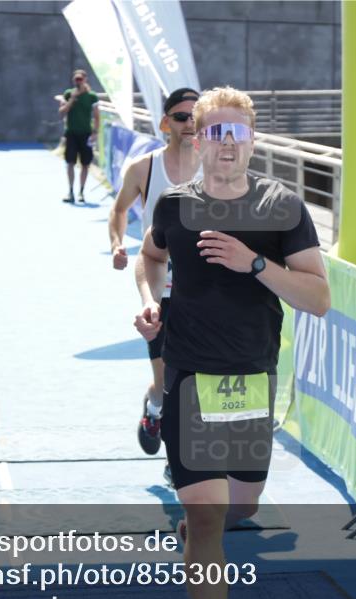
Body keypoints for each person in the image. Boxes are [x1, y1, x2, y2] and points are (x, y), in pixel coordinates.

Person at [134, 87, 330, 599]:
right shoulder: (174, 205)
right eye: (213, 132)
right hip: (189, 376)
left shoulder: (283, 208)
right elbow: (150, 257)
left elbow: (318, 299)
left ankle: (199, 537)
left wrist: (255, 264)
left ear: (252, 139)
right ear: (197, 136)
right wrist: (151, 305)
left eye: (235, 133)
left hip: (250, 379)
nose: (224, 144)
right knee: (205, 513)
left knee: (241, 505)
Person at [111, 88, 201, 465]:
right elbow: (118, 212)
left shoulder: (215, 167)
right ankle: (154, 408)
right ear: (166, 124)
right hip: (159, 285)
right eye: (181, 117)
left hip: (203, 291)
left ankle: (178, 464)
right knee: (167, 383)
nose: (190, 124)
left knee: (194, 382)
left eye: (196, 116)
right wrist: (118, 244)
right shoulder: (144, 168)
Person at [58, 69, 99, 204]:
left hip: (85, 134)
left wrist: (95, 132)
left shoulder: (92, 96)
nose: (78, 81)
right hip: (71, 133)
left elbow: (97, 116)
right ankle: (70, 191)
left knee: (85, 164)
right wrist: (72, 99)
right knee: (70, 163)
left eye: (81, 79)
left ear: (85, 79)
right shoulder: (68, 93)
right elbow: (62, 112)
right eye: (76, 79)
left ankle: (81, 191)